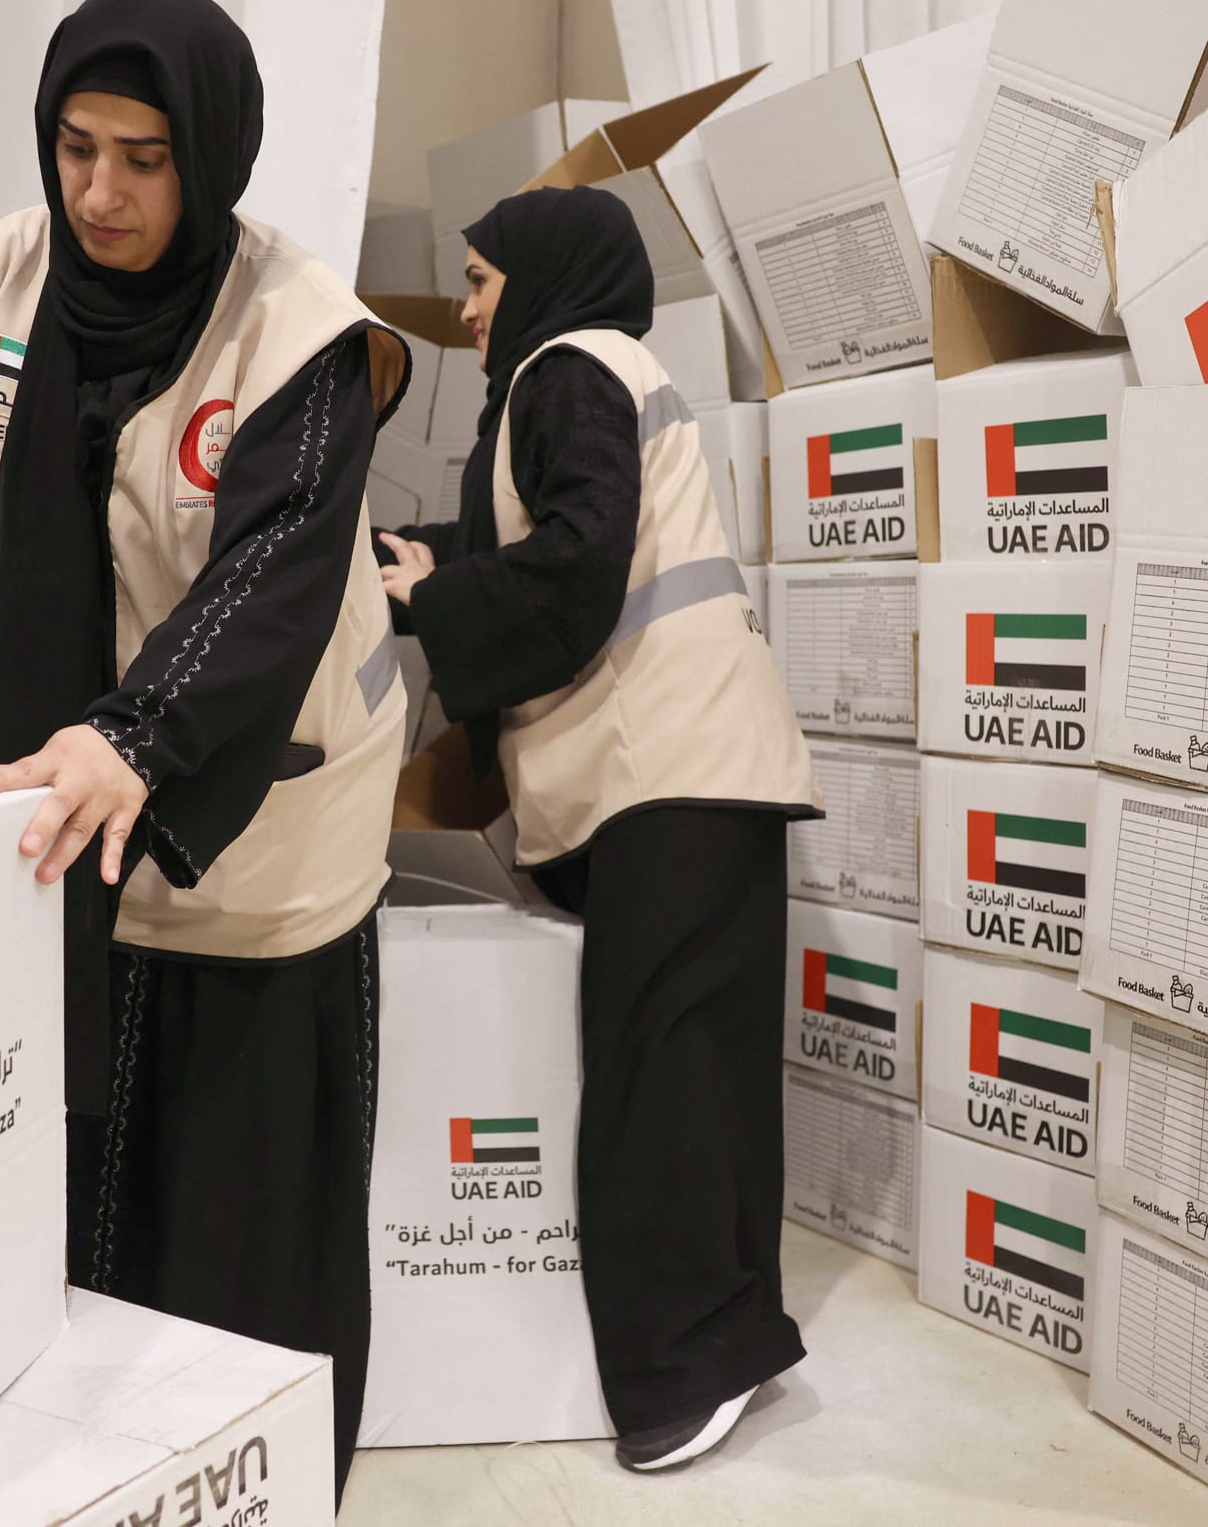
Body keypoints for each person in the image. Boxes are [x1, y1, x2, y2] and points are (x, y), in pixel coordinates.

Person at [0, 0, 410, 1490]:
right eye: (75, 146)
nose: (100, 192)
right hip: (69, 815)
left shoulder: (303, 329)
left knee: (240, 1246)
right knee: (63, 1230)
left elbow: (275, 565)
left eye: (144, 159)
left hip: (264, 829)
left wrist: (141, 731)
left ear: (210, 158)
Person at [376, 185, 822, 1474]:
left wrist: (433, 599)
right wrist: (425, 566)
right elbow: (535, 538)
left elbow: (575, 560)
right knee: (699, 1075)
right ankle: (727, 1337)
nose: (464, 310)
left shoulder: (564, 368)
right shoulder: (590, 376)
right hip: (696, 771)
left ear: (543, 277)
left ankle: (690, 1368)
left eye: (478, 280)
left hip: (668, 772)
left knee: (658, 1083)